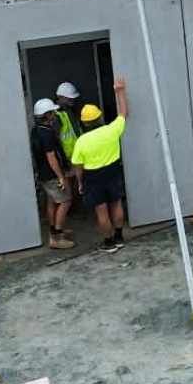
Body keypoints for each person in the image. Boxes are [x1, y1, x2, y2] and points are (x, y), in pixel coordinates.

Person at [70, 78, 130, 253]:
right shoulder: (111, 130)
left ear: (84, 123)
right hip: (113, 171)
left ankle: (109, 243)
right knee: (116, 203)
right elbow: (123, 113)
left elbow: (78, 166)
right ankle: (119, 237)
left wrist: (80, 182)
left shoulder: (81, 141)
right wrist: (120, 91)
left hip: (93, 177)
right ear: (100, 117)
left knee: (101, 210)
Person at [30, 99, 75, 249]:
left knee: (51, 202)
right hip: (52, 175)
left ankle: (54, 230)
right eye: (52, 113)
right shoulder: (47, 134)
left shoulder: (36, 130)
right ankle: (56, 237)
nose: (55, 115)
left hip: (43, 174)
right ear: (47, 115)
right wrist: (61, 176)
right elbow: (51, 157)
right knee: (65, 201)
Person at [50, 81, 95, 162]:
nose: (72, 99)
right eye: (69, 98)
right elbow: (55, 141)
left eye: (73, 98)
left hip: (80, 153)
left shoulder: (71, 110)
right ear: (60, 97)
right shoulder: (55, 116)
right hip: (70, 158)